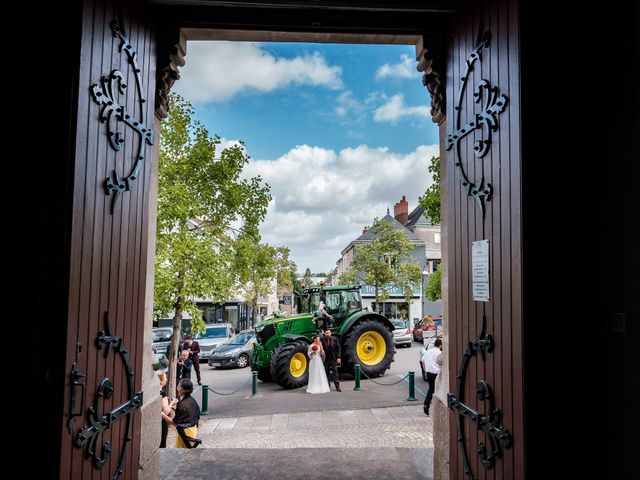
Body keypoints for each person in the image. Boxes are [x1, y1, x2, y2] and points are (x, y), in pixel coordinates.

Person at [171, 378, 201, 448]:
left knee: (179, 453)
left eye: (178, 386)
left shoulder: (183, 404)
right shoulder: (192, 400)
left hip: (185, 433)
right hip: (192, 430)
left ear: (183, 390)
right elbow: (187, 414)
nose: (177, 388)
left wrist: (163, 414)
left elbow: (174, 422)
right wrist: (175, 409)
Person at [422, 338, 443, 416]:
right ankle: (438, 408)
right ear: (440, 345)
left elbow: (423, 361)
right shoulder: (439, 353)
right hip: (436, 374)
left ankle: (426, 405)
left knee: (431, 389)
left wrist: (425, 371)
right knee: (438, 390)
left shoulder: (427, 352)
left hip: (428, 373)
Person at [158, 371, 172, 448]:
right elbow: (166, 411)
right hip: (161, 420)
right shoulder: (162, 393)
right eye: (165, 377)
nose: (166, 379)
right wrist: (172, 404)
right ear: (160, 381)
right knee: (162, 441)